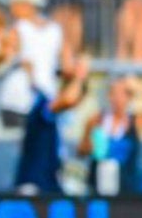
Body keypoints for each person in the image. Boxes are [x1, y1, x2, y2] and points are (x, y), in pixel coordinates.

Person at [78, 76, 142, 195]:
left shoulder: (137, 121)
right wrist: (89, 145)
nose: (118, 99)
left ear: (130, 97)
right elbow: (81, 150)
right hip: (98, 187)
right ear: (109, 96)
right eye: (114, 93)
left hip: (127, 190)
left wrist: (140, 90)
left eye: (123, 94)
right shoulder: (96, 120)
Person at [15, 55, 90, 194]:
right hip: (33, 184)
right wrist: (79, 76)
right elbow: (68, 100)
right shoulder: (43, 104)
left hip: (50, 183)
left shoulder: (60, 118)